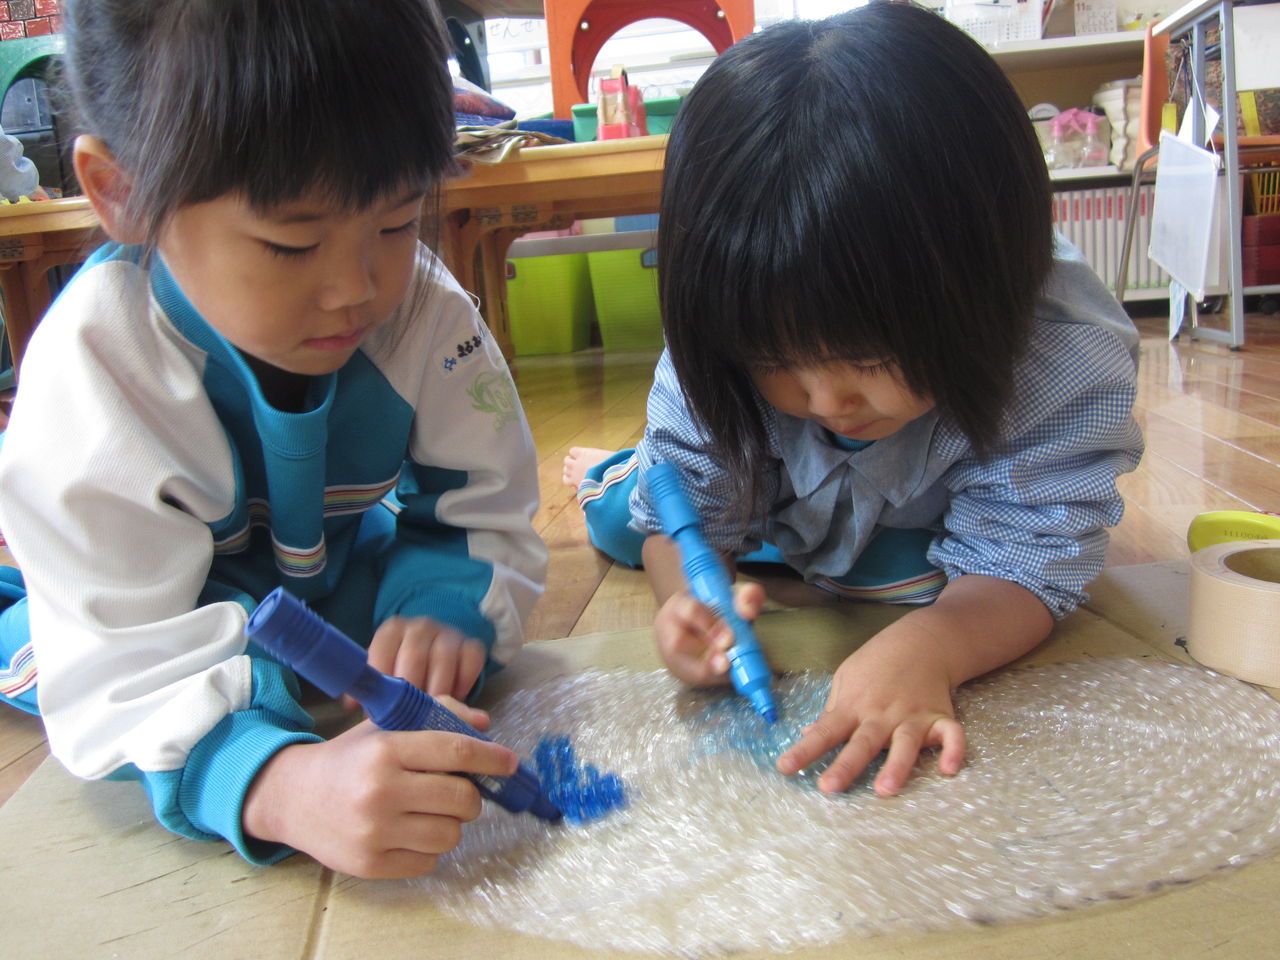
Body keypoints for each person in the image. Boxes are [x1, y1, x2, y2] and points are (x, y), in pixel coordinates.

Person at [0, 0, 547, 880]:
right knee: (48, 649)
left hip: (323, 582)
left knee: (388, 609)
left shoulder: (422, 311)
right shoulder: (94, 368)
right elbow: (117, 662)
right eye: (291, 243)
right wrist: (277, 783)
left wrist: (443, 605)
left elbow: (486, 501)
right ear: (122, 192)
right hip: (145, 609)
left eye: (398, 222)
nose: (356, 288)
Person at [564, 2, 1143, 799]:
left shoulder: (1058, 353)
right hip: (762, 490)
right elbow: (684, 524)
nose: (830, 399)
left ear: (987, 288)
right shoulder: (724, 339)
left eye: (868, 358)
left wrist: (932, 645)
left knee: (916, 590)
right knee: (634, 520)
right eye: (778, 362)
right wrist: (691, 608)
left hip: (920, 514)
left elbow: (1032, 556)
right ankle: (614, 472)